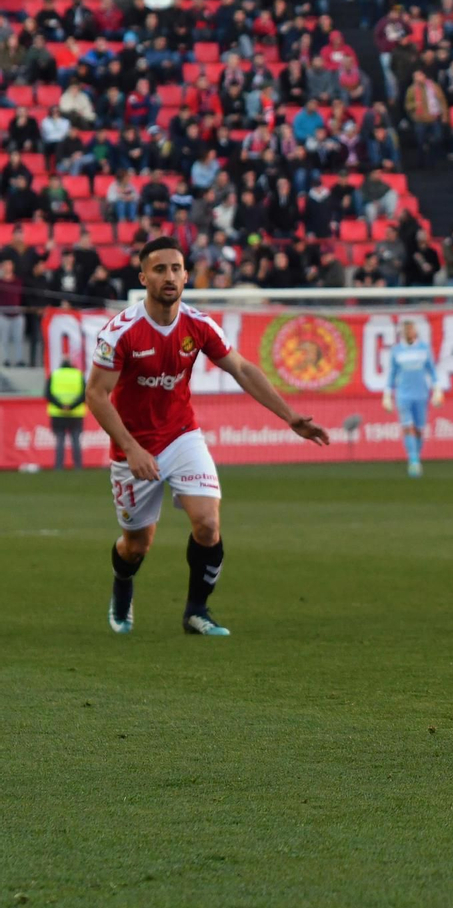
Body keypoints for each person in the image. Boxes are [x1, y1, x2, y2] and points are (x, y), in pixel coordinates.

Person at [86, 237, 330, 637]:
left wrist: (290, 417)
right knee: (137, 545)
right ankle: (123, 585)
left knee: (207, 524)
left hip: (182, 436)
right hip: (133, 446)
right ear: (143, 276)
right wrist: (132, 448)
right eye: (160, 269)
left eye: (177, 269)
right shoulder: (121, 332)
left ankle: (196, 611)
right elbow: (95, 395)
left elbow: (242, 368)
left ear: (186, 275)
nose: (170, 276)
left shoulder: (198, 324)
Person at [382, 319, 443, 477]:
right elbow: (392, 374)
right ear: (402, 332)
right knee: (407, 427)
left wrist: (437, 389)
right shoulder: (397, 351)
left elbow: (432, 371)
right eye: (406, 330)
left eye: (412, 329)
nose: (409, 332)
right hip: (403, 395)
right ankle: (413, 461)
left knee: (419, 430)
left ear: (415, 331)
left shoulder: (424, 349)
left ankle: (416, 456)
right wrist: (387, 395)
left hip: (421, 394)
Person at [45, 354, 86, 470]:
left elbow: (48, 394)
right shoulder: (78, 375)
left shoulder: (54, 375)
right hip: (76, 414)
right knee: (76, 441)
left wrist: (61, 406)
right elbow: (84, 394)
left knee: (60, 441)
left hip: (58, 414)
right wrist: (72, 406)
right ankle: (78, 466)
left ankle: (58, 466)